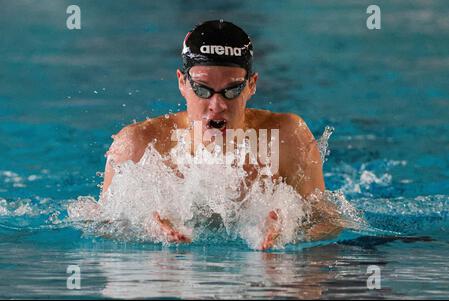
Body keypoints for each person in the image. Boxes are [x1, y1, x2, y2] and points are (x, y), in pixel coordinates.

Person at [101, 20, 342, 250]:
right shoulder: (137, 144)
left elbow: (328, 222)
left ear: (251, 85)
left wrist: (289, 232)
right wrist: (145, 228)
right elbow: (100, 225)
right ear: (182, 83)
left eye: (232, 89)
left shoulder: (287, 136)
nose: (217, 104)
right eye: (202, 88)